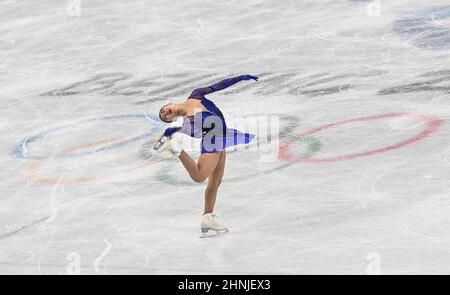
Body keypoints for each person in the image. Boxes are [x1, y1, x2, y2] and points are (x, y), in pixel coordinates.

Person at [154, 74, 258, 235]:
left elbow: (218, 85)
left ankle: (207, 217)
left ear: (168, 104)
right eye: (165, 117)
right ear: (172, 119)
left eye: (163, 110)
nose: (165, 113)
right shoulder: (189, 121)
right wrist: (167, 135)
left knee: (215, 182)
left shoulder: (196, 95)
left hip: (222, 137)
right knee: (199, 176)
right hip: (213, 139)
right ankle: (177, 149)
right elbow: (186, 131)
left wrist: (240, 78)